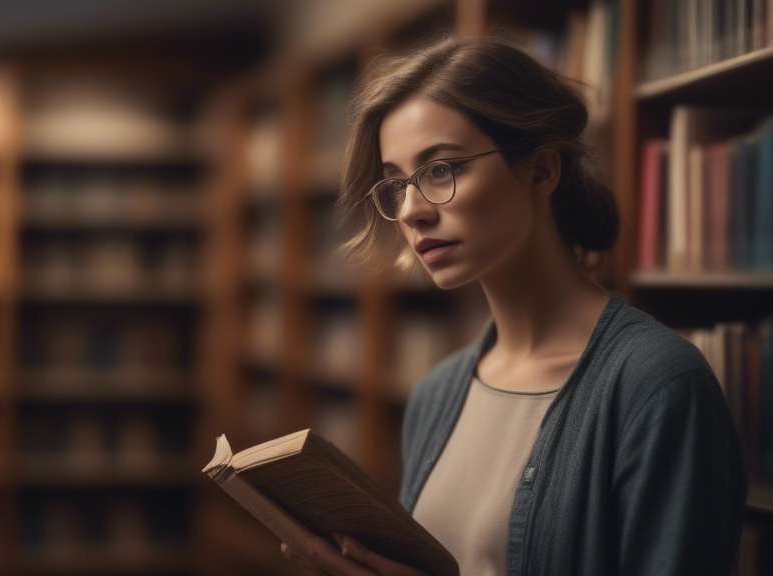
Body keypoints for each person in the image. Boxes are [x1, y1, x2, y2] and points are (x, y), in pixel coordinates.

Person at [281, 31, 748, 576]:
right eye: (396, 184)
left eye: (440, 170)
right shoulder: (437, 394)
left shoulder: (657, 386)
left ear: (541, 170)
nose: (411, 211)